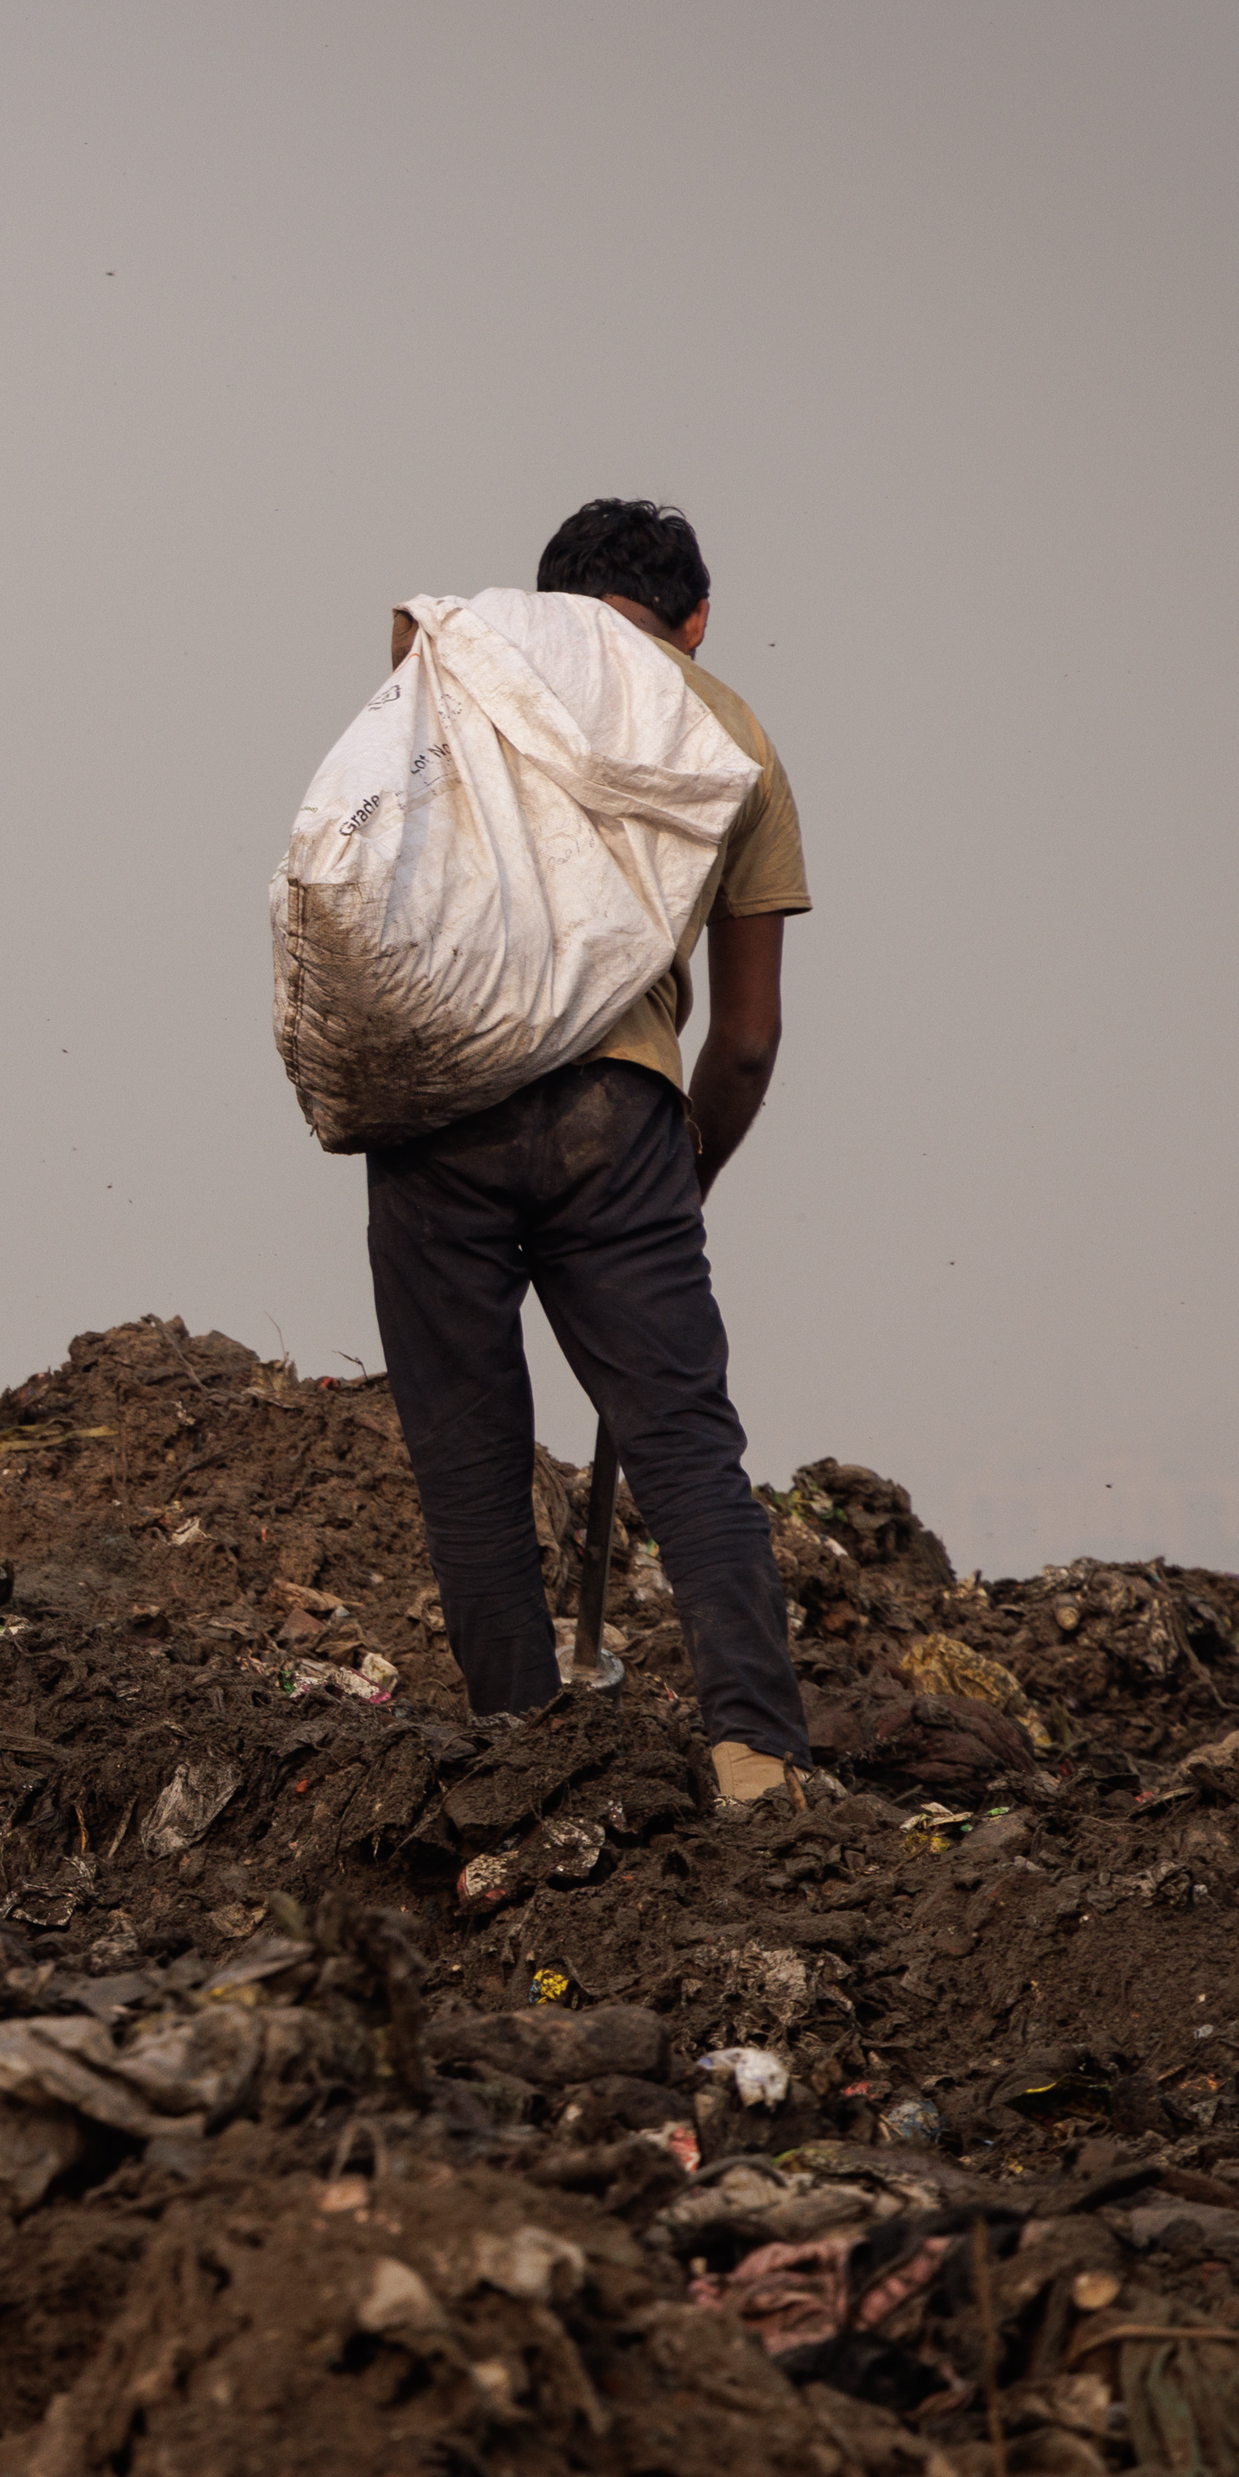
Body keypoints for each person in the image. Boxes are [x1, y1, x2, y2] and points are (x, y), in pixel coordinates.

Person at [364, 498, 818, 1808]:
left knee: (470, 1462)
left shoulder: (473, 668)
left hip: (437, 1093)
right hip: (617, 1113)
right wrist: (690, 1168)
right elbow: (747, 1037)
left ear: (548, 603)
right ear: (698, 620)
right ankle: (754, 1758)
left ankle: (521, 1756)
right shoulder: (732, 732)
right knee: (684, 1446)